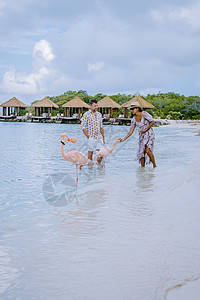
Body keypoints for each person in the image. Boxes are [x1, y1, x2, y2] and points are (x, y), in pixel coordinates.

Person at [120, 102, 157, 168]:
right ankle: (142, 170)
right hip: (142, 136)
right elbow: (130, 132)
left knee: (147, 150)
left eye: (133, 109)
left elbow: (152, 122)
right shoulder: (133, 119)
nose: (131, 110)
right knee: (141, 152)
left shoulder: (144, 114)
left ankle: (155, 166)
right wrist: (123, 139)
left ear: (137, 108)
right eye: (131, 109)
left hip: (149, 133)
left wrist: (145, 130)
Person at [81, 99, 105, 163]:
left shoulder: (99, 114)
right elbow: (83, 127)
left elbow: (101, 127)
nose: (96, 107)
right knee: (90, 154)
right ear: (90, 106)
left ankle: (98, 167)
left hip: (99, 137)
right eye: (95, 106)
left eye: (97, 106)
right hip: (91, 137)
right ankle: (90, 171)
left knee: (101, 154)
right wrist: (88, 137)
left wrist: (103, 138)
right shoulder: (86, 114)